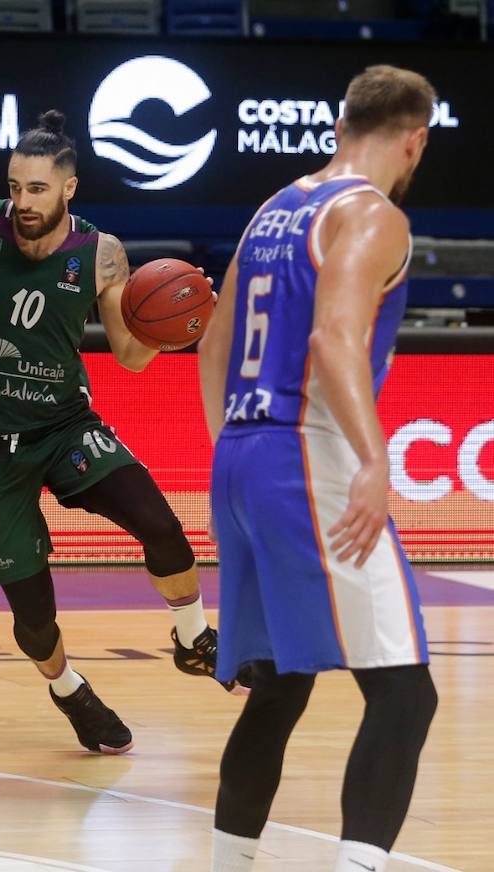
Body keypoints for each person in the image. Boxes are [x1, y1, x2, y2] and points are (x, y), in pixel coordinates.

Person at [0, 110, 231, 756]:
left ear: (69, 189)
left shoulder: (101, 254)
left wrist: (178, 326)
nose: (22, 202)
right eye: (16, 187)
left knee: (161, 524)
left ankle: (193, 638)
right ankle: (70, 689)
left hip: (67, 427)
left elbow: (130, 355)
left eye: (37, 189)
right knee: (34, 615)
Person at [199, 65, 438, 872]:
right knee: (406, 693)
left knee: (282, 684)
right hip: (307, 454)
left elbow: (212, 341)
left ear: (340, 128)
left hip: (239, 455)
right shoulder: (372, 216)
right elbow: (335, 339)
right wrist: (375, 457)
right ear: (415, 140)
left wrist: (227, 449)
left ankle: (228, 861)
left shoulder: (277, 206)